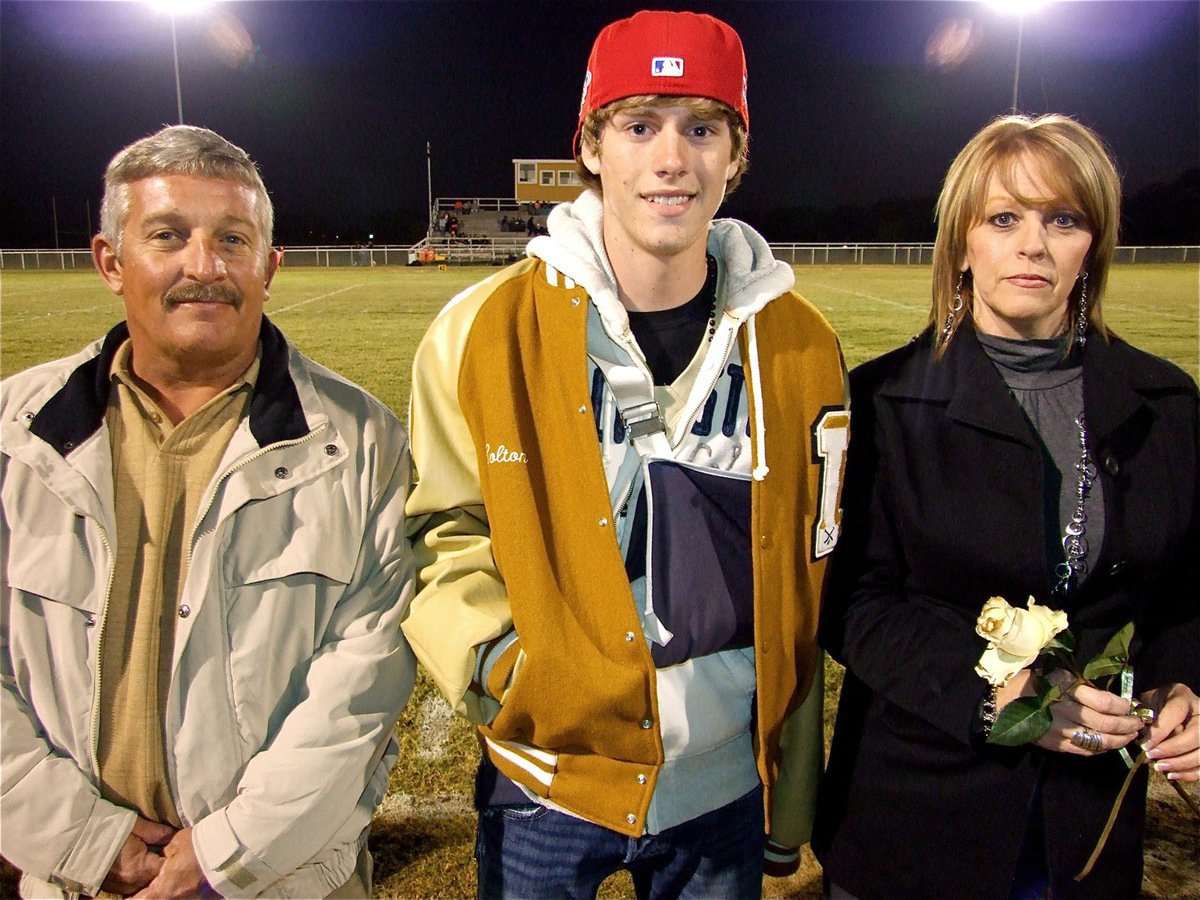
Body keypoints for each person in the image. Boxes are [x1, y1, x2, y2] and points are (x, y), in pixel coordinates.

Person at [403, 10, 847, 898]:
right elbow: (442, 532)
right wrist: (506, 668)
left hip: (722, 789)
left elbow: (810, 562)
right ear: (593, 148)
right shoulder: (480, 331)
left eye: (702, 128)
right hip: (544, 783)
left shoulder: (803, 344)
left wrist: (788, 793)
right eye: (639, 125)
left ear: (737, 152)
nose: (671, 158)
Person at [0, 125, 416, 899]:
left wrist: (226, 855)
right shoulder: (13, 433)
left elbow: (363, 683)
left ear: (270, 266)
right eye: (168, 236)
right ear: (109, 262)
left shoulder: (362, 441)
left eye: (233, 239)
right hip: (75, 879)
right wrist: (87, 842)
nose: (205, 265)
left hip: (280, 879)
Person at [813, 114, 1199, 899]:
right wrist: (1001, 698)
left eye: (1063, 219)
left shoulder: (1165, 401)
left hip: (1084, 829)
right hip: (916, 819)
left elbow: (1184, 587)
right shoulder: (883, 403)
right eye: (1004, 218)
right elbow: (852, 604)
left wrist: (1183, 685)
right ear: (962, 244)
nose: (1034, 243)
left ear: (1093, 244)